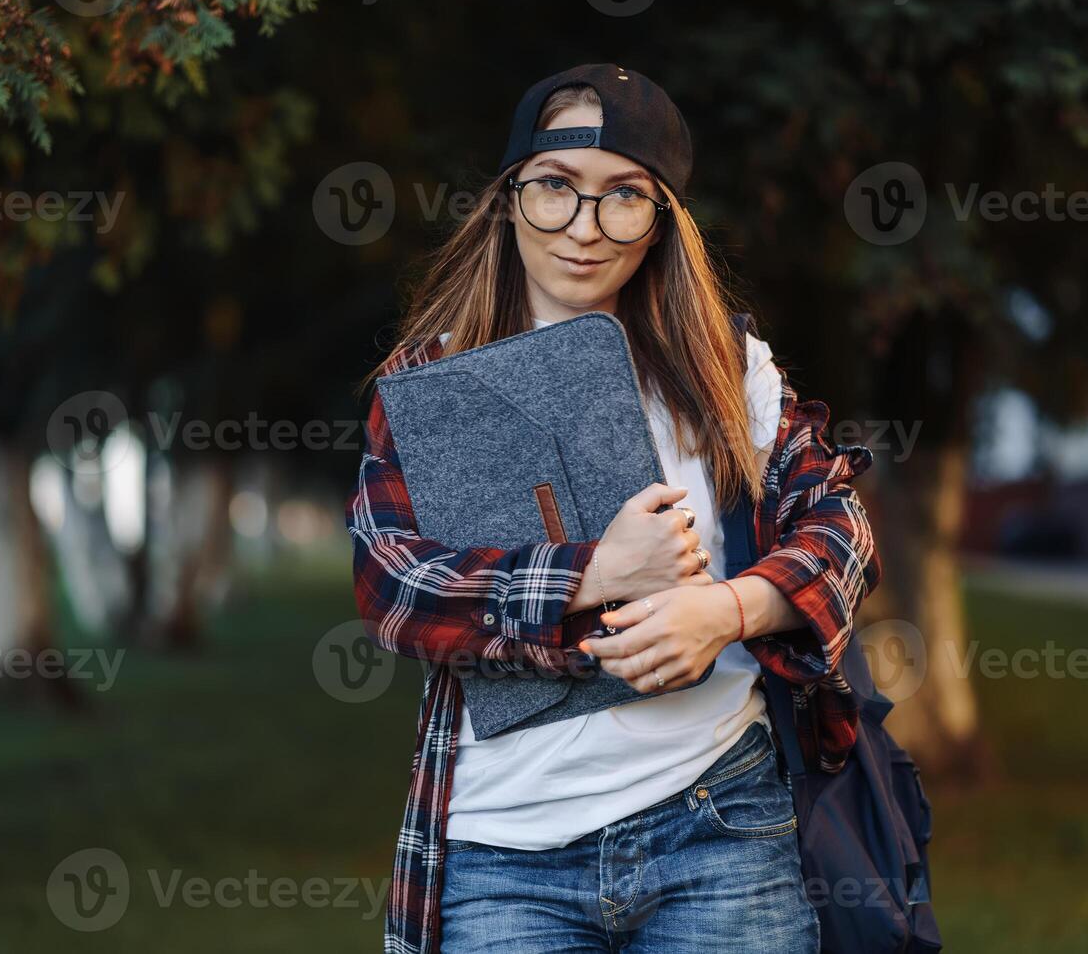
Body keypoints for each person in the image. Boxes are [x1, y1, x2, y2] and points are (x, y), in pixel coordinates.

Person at [346, 63, 881, 953]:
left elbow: (841, 529)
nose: (584, 229)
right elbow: (394, 586)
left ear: (664, 220)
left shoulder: (725, 366)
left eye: (624, 197)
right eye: (556, 187)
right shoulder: (429, 381)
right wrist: (594, 573)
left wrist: (728, 610)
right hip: (504, 854)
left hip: (717, 824)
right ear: (509, 198)